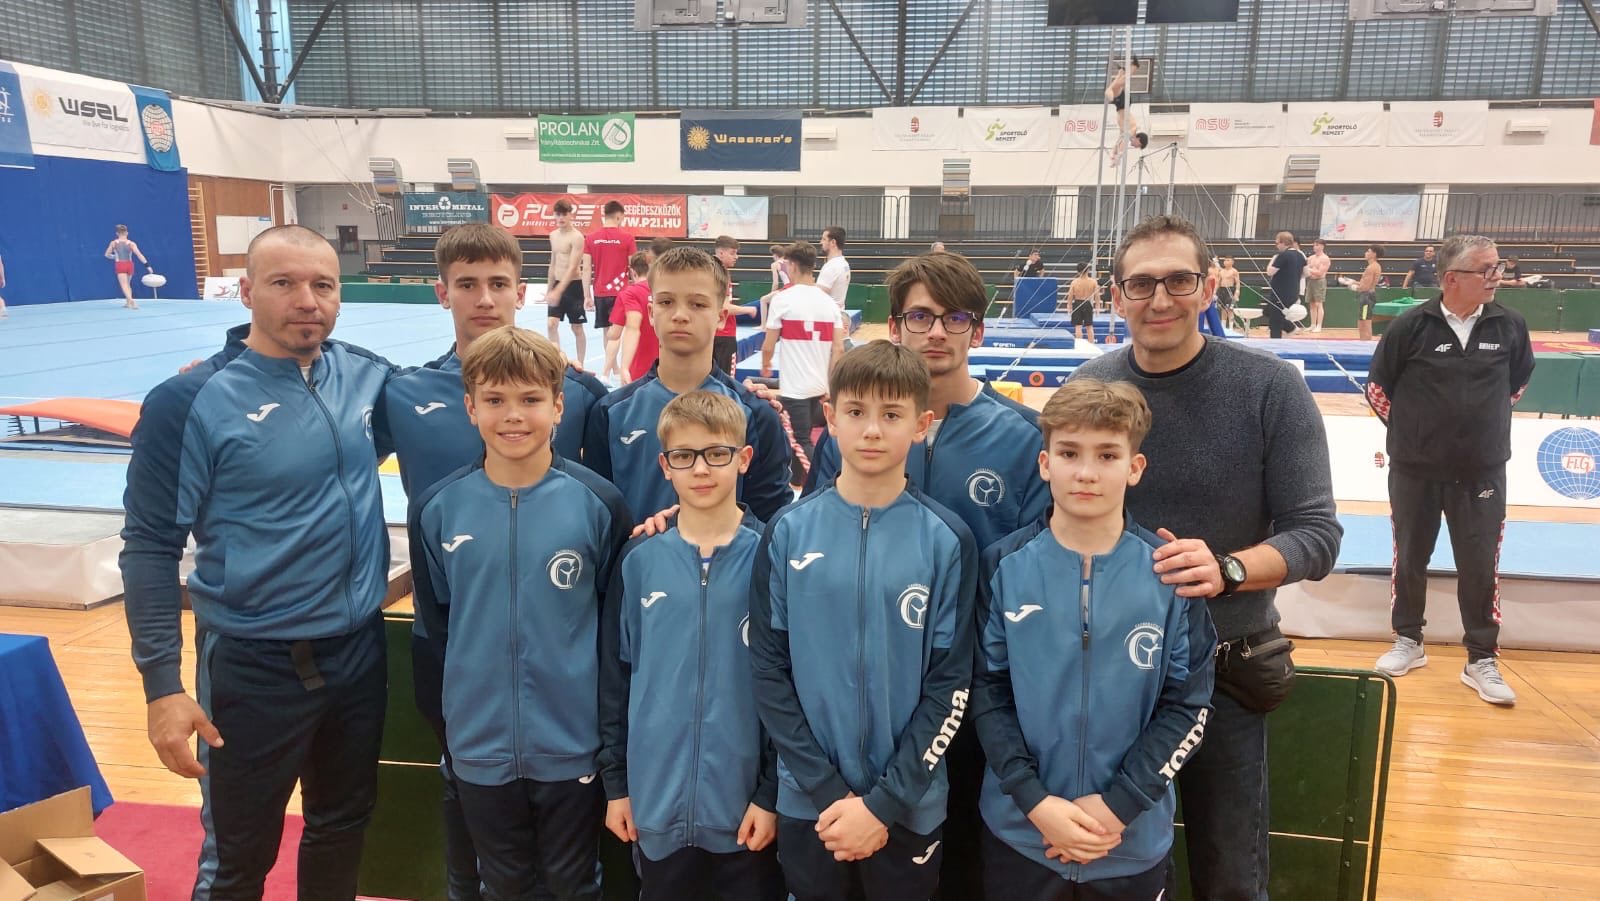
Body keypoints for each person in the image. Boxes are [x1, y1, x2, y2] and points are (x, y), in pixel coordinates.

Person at [1072, 214, 1342, 900]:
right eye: (1142, 284)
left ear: (1210, 287)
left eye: (1179, 280)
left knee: (1230, 876)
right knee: (1115, 872)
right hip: (1108, 679)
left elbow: (1316, 534)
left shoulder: (1270, 387)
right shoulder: (1089, 388)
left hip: (1223, 672)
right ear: (1117, 295)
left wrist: (1228, 570)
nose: (1160, 298)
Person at [121, 224, 396, 898]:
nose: (307, 300)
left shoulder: (367, 377)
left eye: (323, 285)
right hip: (253, 664)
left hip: (357, 652)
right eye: (284, 283)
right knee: (239, 856)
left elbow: (459, 398)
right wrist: (162, 685)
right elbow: (150, 545)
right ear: (245, 292)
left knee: (342, 825)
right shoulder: (187, 402)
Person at [803, 252, 1051, 901]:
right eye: (920, 316)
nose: (937, 331)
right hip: (867, 697)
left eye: (955, 317)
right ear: (895, 327)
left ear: (979, 331)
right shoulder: (847, 437)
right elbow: (807, 540)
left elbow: (1038, 572)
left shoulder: (1025, 438)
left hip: (977, 699)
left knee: (962, 866)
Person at [379, 222, 606, 901]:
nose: (483, 298)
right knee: (470, 826)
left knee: (565, 861)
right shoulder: (400, 391)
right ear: (441, 291)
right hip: (455, 646)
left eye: (498, 283)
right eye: (468, 284)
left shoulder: (581, 393)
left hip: (559, 661)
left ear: (521, 290)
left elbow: (609, 506)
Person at [971, 378, 1216, 900]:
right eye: (1069, 453)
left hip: (1128, 840)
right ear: (1044, 463)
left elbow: (1189, 706)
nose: (1086, 472)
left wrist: (1119, 806)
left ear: (1135, 467)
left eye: (1107, 455)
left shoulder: (1172, 576)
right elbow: (987, 693)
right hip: (1022, 834)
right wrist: (1035, 801)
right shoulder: (1002, 567)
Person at [749, 340, 977, 901]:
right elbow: (769, 673)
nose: (872, 430)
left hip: (909, 801)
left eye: (892, 415)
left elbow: (950, 685)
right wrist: (826, 791)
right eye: (856, 412)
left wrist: (884, 804)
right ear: (830, 418)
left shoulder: (948, 540)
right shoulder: (787, 532)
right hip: (810, 800)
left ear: (921, 424)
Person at [410, 326, 630, 901]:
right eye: (495, 400)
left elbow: (613, 636)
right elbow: (437, 631)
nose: (513, 415)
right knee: (502, 884)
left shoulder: (599, 504)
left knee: (573, 883)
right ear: (470, 407)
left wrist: (604, 738)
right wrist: (455, 732)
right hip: (478, 746)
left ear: (558, 406)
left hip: (573, 742)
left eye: (531, 399)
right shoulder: (437, 508)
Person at [598, 391, 784, 901]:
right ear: (665, 466)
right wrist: (618, 785)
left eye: (717, 453)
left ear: (744, 458)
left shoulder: (773, 558)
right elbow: (615, 681)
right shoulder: (638, 560)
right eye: (684, 455)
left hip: (745, 811)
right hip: (656, 806)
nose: (700, 469)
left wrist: (770, 794)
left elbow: (791, 691)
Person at [1366, 235, 1534, 706]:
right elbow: (1378, 390)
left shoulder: (1511, 325)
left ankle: (1481, 658)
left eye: (1498, 267)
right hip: (1414, 471)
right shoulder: (1410, 326)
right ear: (1451, 278)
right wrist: (1417, 436)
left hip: (1482, 473)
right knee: (1410, 556)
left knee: (1480, 564)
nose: (1496, 276)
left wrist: (1477, 430)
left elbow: (1517, 384)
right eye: (1486, 269)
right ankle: (1408, 640)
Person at [583, 246, 792, 525]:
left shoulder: (757, 414)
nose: (680, 315)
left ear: (721, 316)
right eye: (667, 302)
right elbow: (599, 515)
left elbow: (770, 521)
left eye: (697, 304)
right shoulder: (610, 412)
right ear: (651, 312)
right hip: (636, 553)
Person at [761, 240, 845, 490]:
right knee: (804, 436)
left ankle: (826, 484)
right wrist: (831, 384)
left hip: (795, 388)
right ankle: (798, 480)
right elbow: (839, 348)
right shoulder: (829, 303)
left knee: (799, 440)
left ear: (793, 266)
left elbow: (768, 344)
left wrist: (766, 365)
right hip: (819, 387)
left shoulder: (783, 299)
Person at [583, 200, 638, 384]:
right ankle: (614, 369)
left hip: (600, 291)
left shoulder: (591, 238)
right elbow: (634, 267)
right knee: (622, 332)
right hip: (621, 292)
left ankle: (613, 368)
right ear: (619, 216)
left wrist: (587, 295)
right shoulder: (627, 238)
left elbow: (586, 268)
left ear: (604, 215)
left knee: (607, 332)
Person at [547, 199, 589, 364]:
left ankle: (581, 363)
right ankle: (556, 361)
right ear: (554, 215)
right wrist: (549, 289)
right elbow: (553, 263)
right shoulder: (553, 235)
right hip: (557, 283)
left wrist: (558, 291)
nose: (561, 218)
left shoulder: (577, 237)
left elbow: (573, 267)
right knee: (551, 324)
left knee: (576, 327)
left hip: (573, 287)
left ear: (571, 215)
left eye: (564, 214)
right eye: (558, 214)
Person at [713, 235, 760, 375]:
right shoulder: (721, 275)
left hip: (710, 333)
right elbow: (724, 307)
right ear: (721, 253)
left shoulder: (707, 272)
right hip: (724, 334)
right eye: (732, 253)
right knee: (726, 379)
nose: (736, 257)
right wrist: (748, 310)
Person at [614, 252, 658, 383]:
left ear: (632, 271)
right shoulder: (664, 291)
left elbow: (619, 332)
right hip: (667, 364)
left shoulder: (629, 294)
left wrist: (624, 367)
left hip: (640, 369)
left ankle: (606, 372)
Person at [1263, 230, 1306, 338]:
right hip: (1293, 293)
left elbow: (1270, 272)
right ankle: (1290, 327)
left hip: (1280, 293)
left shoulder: (1283, 255)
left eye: (1277, 243)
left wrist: (1273, 260)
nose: (1276, 246)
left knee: (1275, 322)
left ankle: (1276, 342)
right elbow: (1306, 273)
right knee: (1267, 311)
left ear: (1283, 243)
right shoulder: (1300, 255)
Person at [1105, 61, 1149, 163]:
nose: (1135, 147)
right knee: (1111, 90)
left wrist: (1113, 155)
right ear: (1139, 140)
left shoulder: (1127, 133)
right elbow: (1123, 144)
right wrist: (1118, 156)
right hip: (1123, 104)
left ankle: (1122, 72)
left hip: (1120, 105)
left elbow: (1118, 142)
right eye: (1138, 145)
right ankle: (1132, 68)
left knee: (1114, 87)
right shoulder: (1132, 131)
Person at [105, 224, 151, 310]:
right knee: (128, 284)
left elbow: (107, 255)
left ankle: (131, 300)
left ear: (117, 233)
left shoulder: (114, 243)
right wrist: (147, 266)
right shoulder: (131, 243)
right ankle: (128, 302)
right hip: (129, 264)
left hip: (120, 264)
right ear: (127, 233)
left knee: (124, 285)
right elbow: (139, 255)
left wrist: (114, 256)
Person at [816, 225, 852, 322]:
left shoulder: (832, 266)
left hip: (828, 318)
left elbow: (818, 294)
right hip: (837, 314)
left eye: (824, 239)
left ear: (833, 242)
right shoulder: (844, 263)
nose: (821, 242)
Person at [1354, 244, 1383, 342]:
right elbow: (1366, 283)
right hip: (1369, 296)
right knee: (1364, 319)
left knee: (1364, 320)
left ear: (1374, 254)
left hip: (1366, 297)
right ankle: (1364, 340)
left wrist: (1353, 287)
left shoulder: (1371, 268)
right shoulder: (1376, 266)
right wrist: (1352, 282)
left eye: (1368, 251)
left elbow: (1365, 287)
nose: (1366, 253)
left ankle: (1365, 341)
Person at [1069, 262, 1100, 343]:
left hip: (1077, 303)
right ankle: (1091, 344)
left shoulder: (1074, 282)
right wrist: (1097, 306)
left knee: (1078, 326)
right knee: (1089, 326)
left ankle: (1079, 345)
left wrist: (1069, 306)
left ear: (1078, 272)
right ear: (1088, 270)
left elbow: (1070, 295)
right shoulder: (1093, 282)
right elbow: (1097, 295)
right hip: (1087, 303)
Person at [1305, 239, 1331, 333]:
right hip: (1310, 281)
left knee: (1318, 304)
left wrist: (1309, 269)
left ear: (1322, 246)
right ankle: (1312, 324)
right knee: (1311, 304)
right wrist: (1309, 270)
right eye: (1314, 245)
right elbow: (1306, 271)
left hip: (1319, 282)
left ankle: (1319, 325)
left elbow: (1320, 273)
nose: (1315, 247)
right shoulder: (1311, 258)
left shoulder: (1325, 258)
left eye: (1317, 245)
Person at [1216, 256, 1240, 329]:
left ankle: (1231, 327)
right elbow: (1218, 282)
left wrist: (1237, 292)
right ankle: (1223, 327)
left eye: (1228, 260)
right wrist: (1215, 292)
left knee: (1230, 310)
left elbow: (1237, 282)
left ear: (1232, 262)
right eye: (1225, 260)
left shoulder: (1234, 271)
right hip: (1222, 290)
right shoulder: (1221, 271)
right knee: (1223, 310)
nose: (1226, 262)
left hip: (1230, 290)